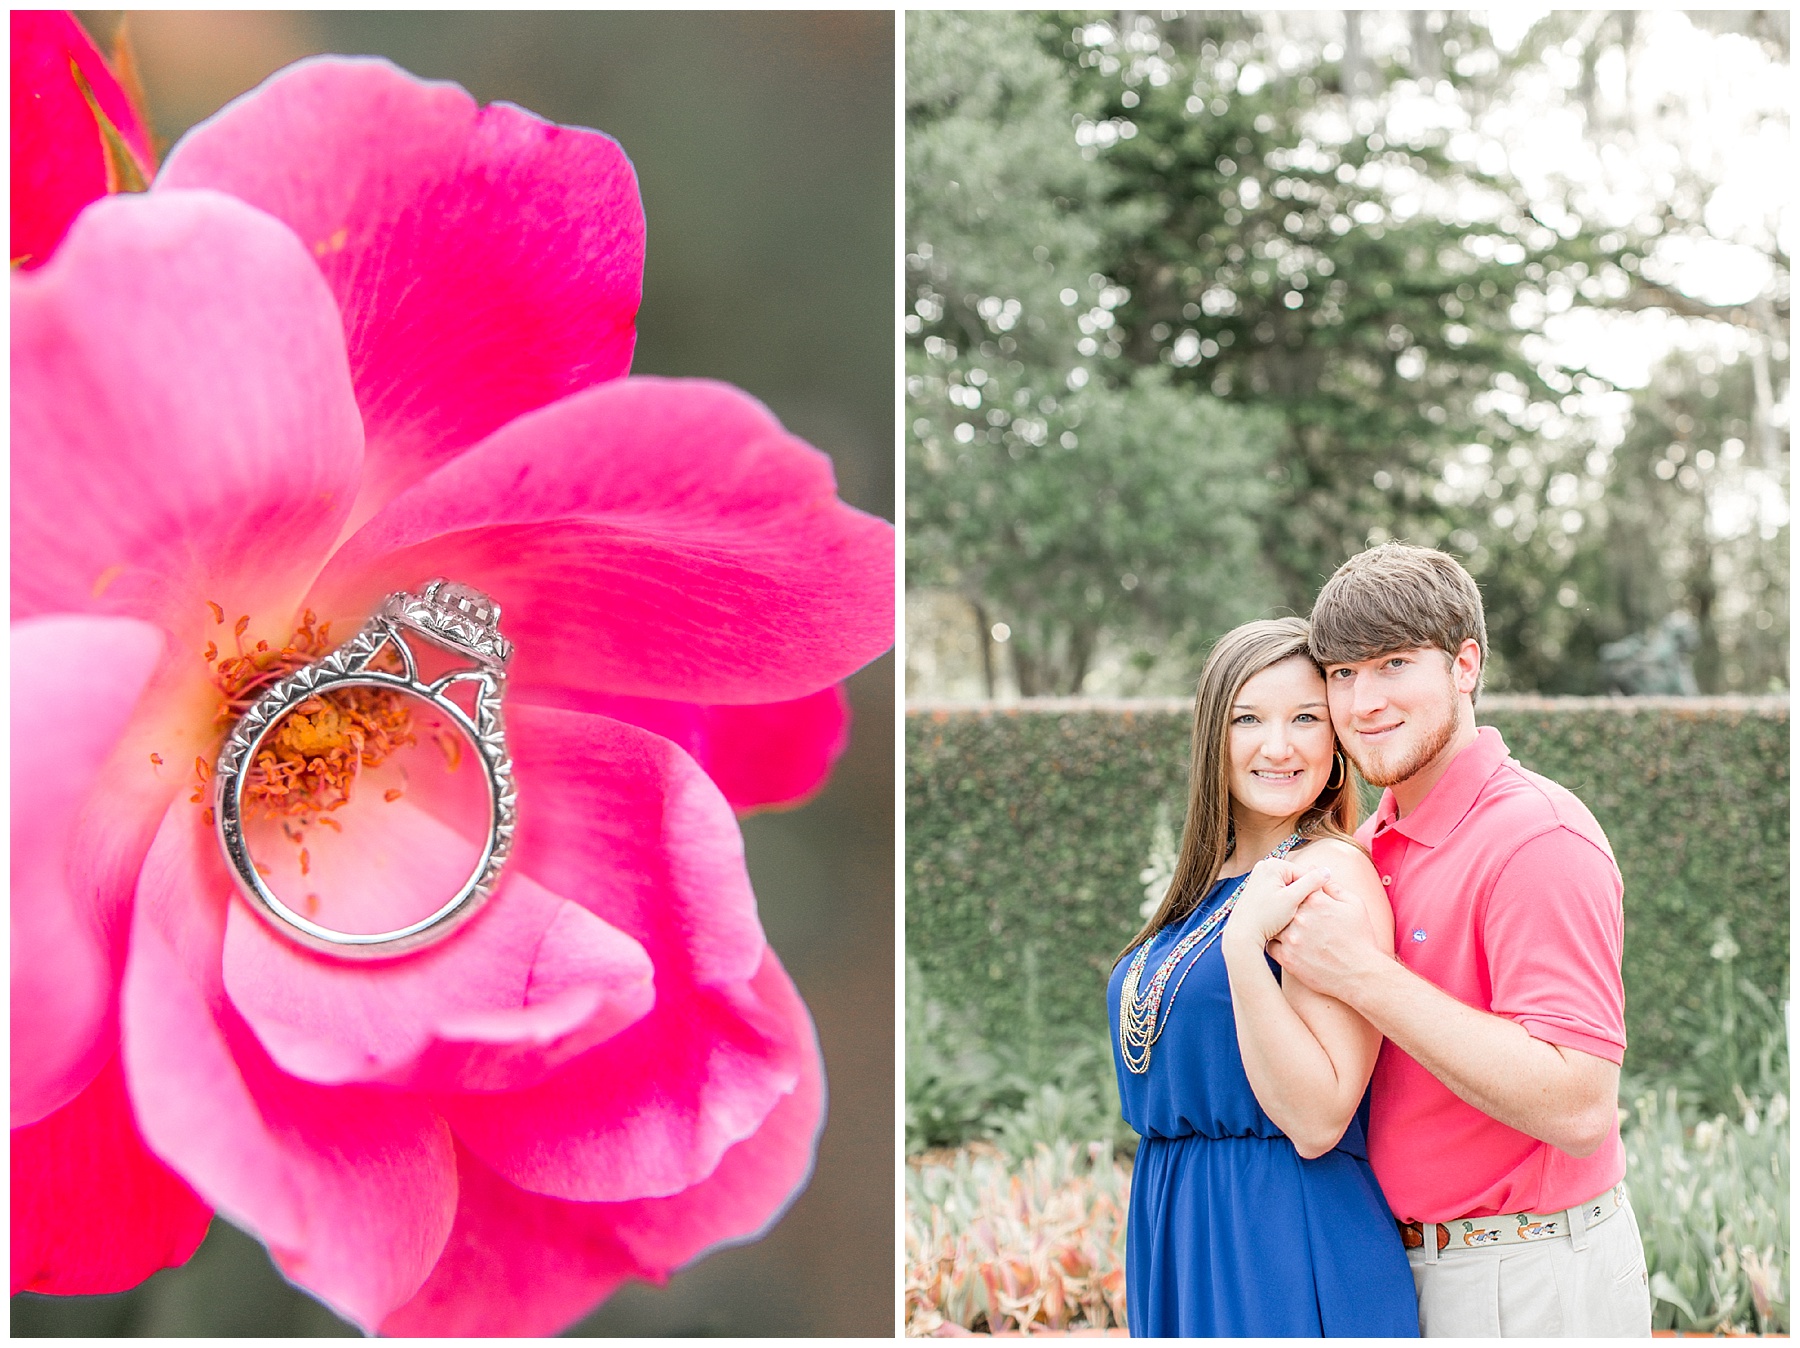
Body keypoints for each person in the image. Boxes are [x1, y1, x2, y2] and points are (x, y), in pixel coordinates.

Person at [1269, 542, 1651, 1337]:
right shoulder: (1366, 846)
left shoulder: (1537, 837)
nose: (1363, 700)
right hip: (1398, 1271)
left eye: (1394, 663)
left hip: (1527, 1278)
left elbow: (1580, 1106)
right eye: (1342, 673)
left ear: (1465, 665)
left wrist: (1364, 975)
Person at [1107, 617, 1420, 1337]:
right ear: (1214, 736)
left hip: (1280, 1230)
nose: (1277, 746)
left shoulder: (1325, 876)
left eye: (1305, 718)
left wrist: (1247, 948)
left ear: (1335, 742)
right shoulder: (1204, 886)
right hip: (1180, 1220)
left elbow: (1317, 1119)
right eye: (1248, 717)